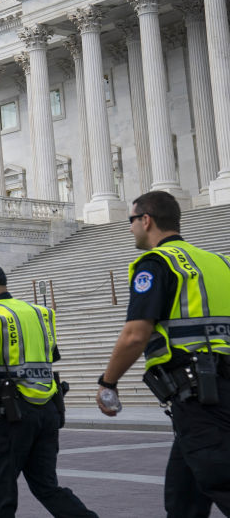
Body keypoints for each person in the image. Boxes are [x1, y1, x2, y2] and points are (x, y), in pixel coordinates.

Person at [97, 191, 230, 515]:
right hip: (216, 389)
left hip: (198, 394)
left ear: (146, 220)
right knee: (182, 498)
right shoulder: (219, 262)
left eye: (131, 221)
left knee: (221, 480)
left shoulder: (156, 263)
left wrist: (108, 383)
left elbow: (134, 336)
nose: (129, 229)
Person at [0, 261, 96, 518]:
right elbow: (49, 358)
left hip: (10, 417)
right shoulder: (39, 314)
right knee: (47, 487)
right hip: (47, 412)